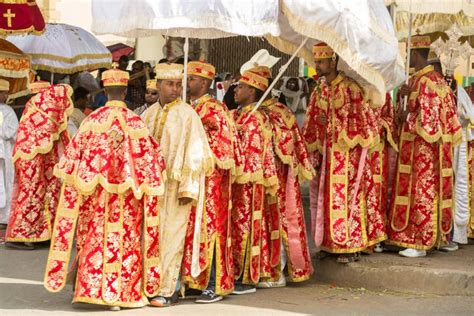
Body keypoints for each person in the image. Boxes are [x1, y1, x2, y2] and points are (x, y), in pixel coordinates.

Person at [44, 67, 165, 310]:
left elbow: (70, 161)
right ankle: (123, 293)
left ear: (105, 90)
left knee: (96, 241)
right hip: (128, 199)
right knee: (125, 242)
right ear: (125, 91)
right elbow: (155, 162)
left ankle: (90, 289)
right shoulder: (136, 123)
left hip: (96, 198)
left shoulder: (91, 122)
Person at [302, 43, 382, 263]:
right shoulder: (319, 88)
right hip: (326, 153)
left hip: (347, 156)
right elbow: (311, 119)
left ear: (333, 61)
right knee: (324, 199)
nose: (316, 66)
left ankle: (349, 244)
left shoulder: (350, 88)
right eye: (316, 61)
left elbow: (362, 121)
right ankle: (329, 243)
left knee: (347, 199)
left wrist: (331, 123)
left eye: (320, 62)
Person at [142, 63, 213, 307]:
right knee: (150, 237)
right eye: (170, 84)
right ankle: (146, 285)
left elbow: (196, 155)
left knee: (171, 238)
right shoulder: (148, 114)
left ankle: (166, 289)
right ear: (158, 85)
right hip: (151, 189)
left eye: (178, 85)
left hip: (176, 188)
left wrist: (188, 188)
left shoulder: (188, 115)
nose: (175, 90)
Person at [387, 35, 462, 257]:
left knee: (421, 193)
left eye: (408, 53)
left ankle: (420, 241)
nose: (406, 57)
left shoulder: (426, 83)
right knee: (425, 193)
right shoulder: (434, 81)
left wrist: (407, 114)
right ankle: (430, 237)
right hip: (431, 151)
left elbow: (428, 123)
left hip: (423, 151)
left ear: (417, 55)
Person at [181, 61, 242, 303]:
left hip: (212, 180)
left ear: (204, 83)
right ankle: (197, 280)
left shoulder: (214, 109)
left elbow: (224, 145)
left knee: (213, 229)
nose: (187, 83)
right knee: (192, 231)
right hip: (193, 180)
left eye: (192, 79)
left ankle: (216, 283)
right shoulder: (188, 108)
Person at [249, 66, 315, 287]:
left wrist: (267, 128)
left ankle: (279, 271)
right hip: (255, 177)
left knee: (280, 222)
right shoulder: (249, 111)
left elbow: (289, 145)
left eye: (242, 86)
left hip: (278, 178)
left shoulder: (279, 112)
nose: (236, 90)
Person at [5, 84, 74, 250]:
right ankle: (20, 236)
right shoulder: (42, 106)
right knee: (31, 195)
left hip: (41, 156)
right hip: (31, 158)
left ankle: (44, 233)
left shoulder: (35, 106)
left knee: (49, 193)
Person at [230, 69, 278, 294]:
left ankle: (247, 276)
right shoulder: (239, 114)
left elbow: (253, 153)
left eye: (240, 87)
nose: (236, 90)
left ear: (252, 90)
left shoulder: (257, 118)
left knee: (246, 227)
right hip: (236, 182)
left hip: (249, 181)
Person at [428, 52, 474, 249]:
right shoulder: (431, 88)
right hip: (438, 142)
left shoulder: (456, 89)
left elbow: (469, 115)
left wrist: (458, 116)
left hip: (457, 142)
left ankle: (456, 232)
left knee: (458, 184)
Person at [0, 79, 19, 228]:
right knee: (6, 181)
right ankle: (4, 217)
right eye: (5, 93)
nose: (6, 96)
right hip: (4, 150)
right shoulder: (6, 111)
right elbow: (11, 133)